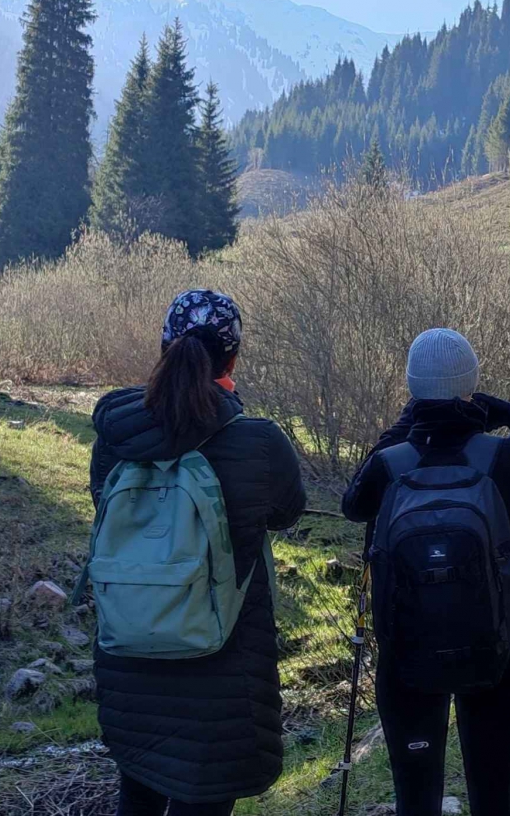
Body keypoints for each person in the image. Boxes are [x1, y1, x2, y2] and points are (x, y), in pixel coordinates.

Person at [342, 328, 510, 816]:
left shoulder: (389, 464)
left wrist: (402, 425)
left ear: (413, 390)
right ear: (471, 384)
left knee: (416, 800)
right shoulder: (505, 456)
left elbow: (354, 504)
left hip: (405, 660)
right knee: (495, 797)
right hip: (493, 652)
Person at [89, 289, 306, 816]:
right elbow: (287, 512)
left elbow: (103, 504)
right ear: (232, 358)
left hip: (130, 662)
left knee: (136, 794)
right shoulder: (259, 442)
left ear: (164, 348)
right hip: (222, 671)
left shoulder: (114, 440)